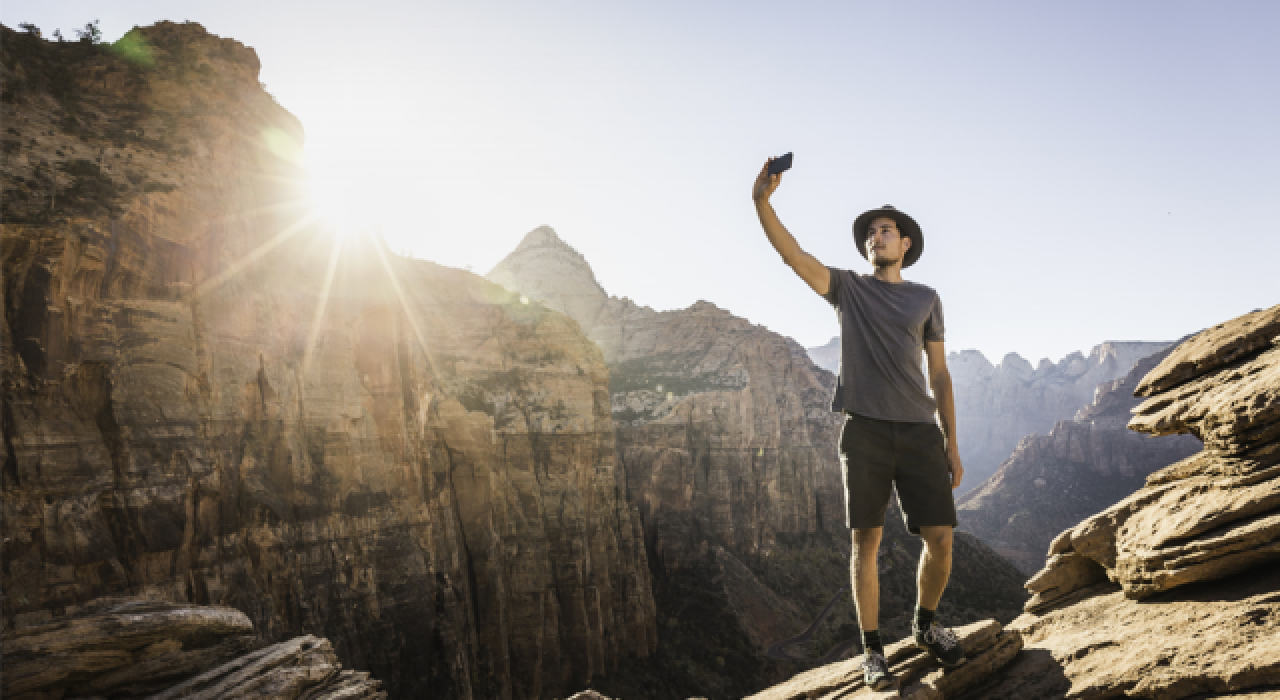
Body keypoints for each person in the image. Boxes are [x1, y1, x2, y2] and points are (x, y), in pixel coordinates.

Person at [752, 158, 967, 691]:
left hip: (919, 431)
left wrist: (952, 442)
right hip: (865, 431)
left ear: (905, 244)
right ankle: (873, 651)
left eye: (885, 230)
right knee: (865, 543)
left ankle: (924, 625)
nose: (876, 236)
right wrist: (762, 202)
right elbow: (794, 256)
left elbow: (940, 374)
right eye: (871, 232)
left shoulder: (927, 299)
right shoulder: (848, 288)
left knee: (941, 539)